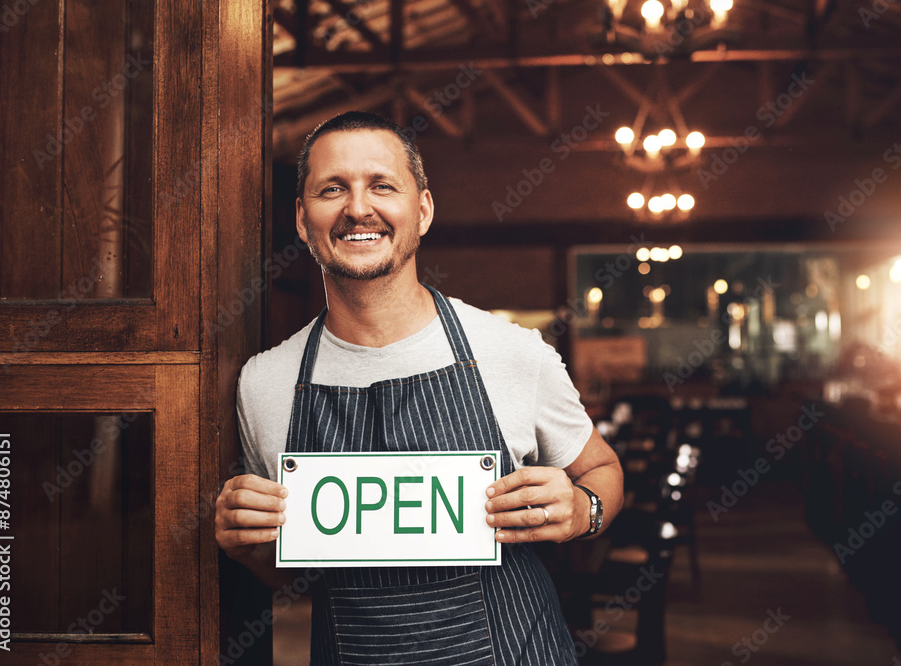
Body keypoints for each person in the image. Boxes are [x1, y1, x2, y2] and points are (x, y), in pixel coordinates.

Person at [215, 111, 623, 665]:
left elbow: (603, 470)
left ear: (423, 210)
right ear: (301, 218)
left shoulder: (512, 352)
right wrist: (246, 545)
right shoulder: (265, 383)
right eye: (332, 189)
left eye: (382, 185)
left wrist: (583, 511)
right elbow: (287, 574)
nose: (358, 208)